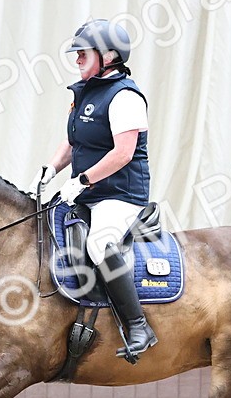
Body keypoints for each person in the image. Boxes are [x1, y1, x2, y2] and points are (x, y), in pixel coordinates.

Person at [29, 19, 157, 361]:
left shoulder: (126, 97)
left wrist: (82, 181)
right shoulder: (84, 92)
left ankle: (138, 326)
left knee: (100, 243)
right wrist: (50, 171)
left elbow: (123, 153)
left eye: (83, 54)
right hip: (86, 193)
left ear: (109, 55)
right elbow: (72, 143)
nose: (77, 60)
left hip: (120, 194)